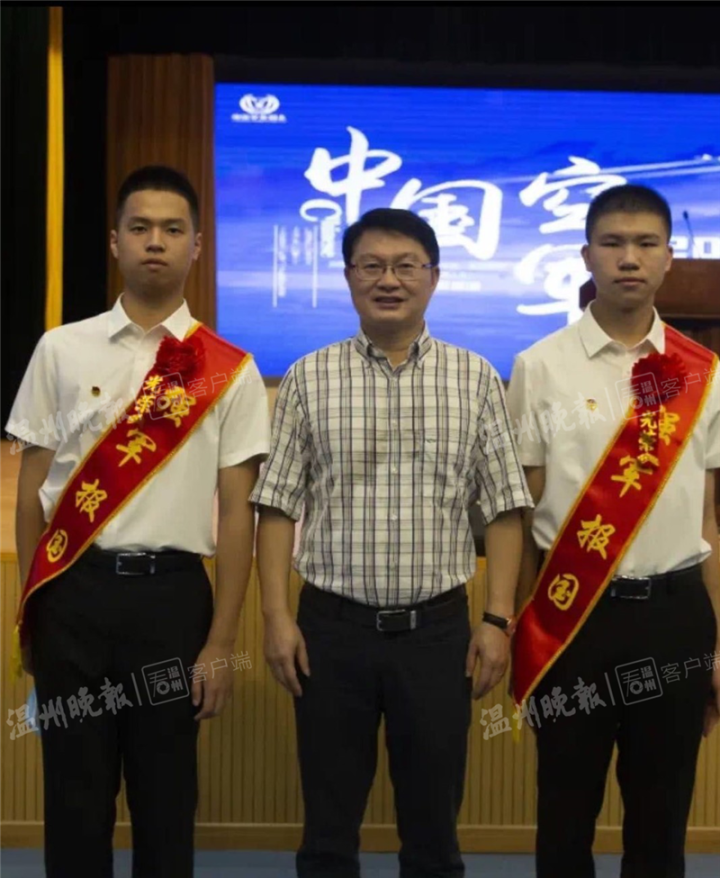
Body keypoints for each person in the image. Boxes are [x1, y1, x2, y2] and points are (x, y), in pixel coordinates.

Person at [250, 208, 532, 878]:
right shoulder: (308, 376)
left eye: (406, 266)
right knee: (327, 832)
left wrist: (497, 620)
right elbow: (277, 505)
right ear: (349, 276)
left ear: (434, 276)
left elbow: (504, 508)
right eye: (371, 265)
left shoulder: (475, 377)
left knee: (434, 834)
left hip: (438, 634)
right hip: (330, 631)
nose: (389, 280)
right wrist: (276, 617)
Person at [6, 165, 270, 878]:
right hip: (73, 597)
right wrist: (34, 605)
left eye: (173, 229)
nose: (156, 241)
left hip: (171, 602)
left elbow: (239, 513)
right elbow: (32, 494)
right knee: (74, 798)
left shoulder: (230, 369)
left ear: (197, 246)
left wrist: (222, 642)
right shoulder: (61, 349)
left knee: (166, 800)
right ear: (115, 241)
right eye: (141, 227)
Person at [506, 184, 720, 878]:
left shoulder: (704, 373)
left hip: (674, 616)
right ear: (586, 256)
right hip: (574, 615)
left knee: (661, 819)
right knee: (564, 813)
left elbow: (709, 519)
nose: (630, 258)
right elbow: (521, 513)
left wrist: (718, 642)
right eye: (614, 243)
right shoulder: (539, 366)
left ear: (669, 257)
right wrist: (515, 622)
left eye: (646, 243)